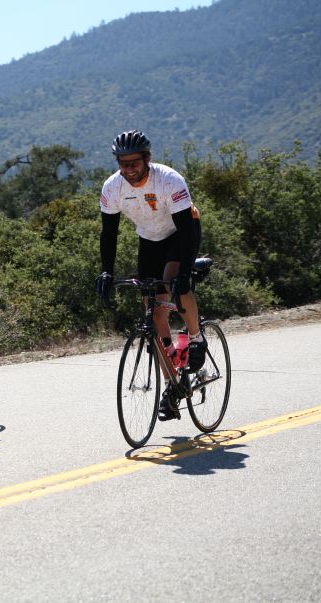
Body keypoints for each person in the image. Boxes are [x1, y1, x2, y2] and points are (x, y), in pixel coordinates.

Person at [95, 130, 206, 421]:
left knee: (174, 285)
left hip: (180, 234)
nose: (129, 168)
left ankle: (196, 338)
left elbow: (187, 230)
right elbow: (109, 234)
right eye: (123, 162)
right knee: (154, 316)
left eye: (135, 162)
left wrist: (184, 272)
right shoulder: (113, 187)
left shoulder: (169, 180)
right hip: (149, 241)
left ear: (147, 159)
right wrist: (107, 271)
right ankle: (173, 385)